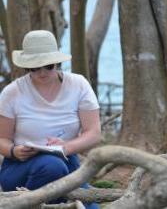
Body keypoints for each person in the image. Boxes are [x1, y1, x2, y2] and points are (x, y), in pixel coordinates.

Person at [0, 30, 101, 208]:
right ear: (26, 66)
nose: (42, 72)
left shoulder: (78, 84)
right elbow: (2, 139)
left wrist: (65, 147)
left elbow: (93, 133)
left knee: (89, 206)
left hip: (68, 162)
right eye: (34, 67)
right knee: (51, 166)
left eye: (48, 66)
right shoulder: (12, 92)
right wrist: (15, 150)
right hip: (20, 167)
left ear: (58, 62)